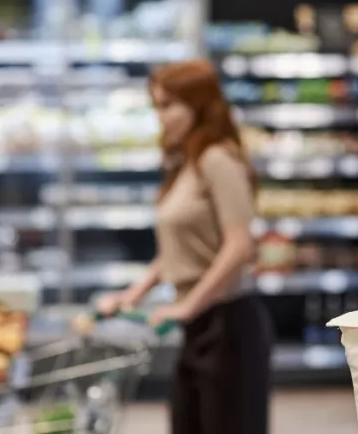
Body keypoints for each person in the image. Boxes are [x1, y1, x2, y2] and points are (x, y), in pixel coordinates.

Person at [97, 59, 271, 434]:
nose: (160, 117)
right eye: (156, 106)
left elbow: (239, 246)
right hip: (200, 325)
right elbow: (178, 249)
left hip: (229, 326)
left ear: (200, 105)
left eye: (168, 106)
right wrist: (133, 295)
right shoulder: (185, 163)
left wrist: (187, 306)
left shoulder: (218, 159)